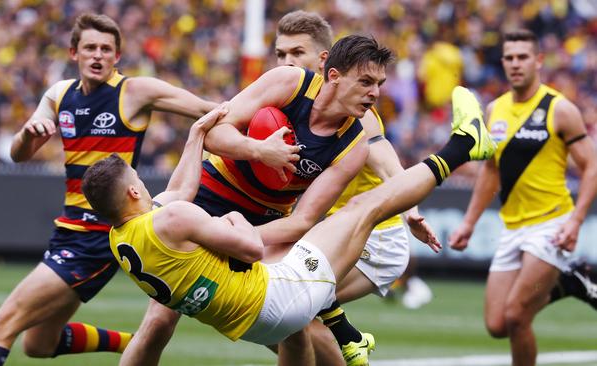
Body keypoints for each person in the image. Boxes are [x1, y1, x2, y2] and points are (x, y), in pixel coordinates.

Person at [82, 85, 495, 366]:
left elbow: (180, 189)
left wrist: (196, 136)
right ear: (135, 193)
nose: (144, 184)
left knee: (299, 337)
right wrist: (234, 218)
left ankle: (346, 332)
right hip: (278, 294)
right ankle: (462, 144)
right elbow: (251, 248)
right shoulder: (174, 217)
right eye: (138, 181)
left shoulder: (123, 237)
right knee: (364, 208)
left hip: (243, 323)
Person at [120, 34, 411, 366]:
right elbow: (216, 133)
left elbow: (302, 221)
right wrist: (260, 150)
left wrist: (232, 239)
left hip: (264, 222)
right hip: (208, 197)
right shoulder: (289, 82)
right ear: (333, 75)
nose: (375, 93)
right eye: (366, 82)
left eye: (379, 83)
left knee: (298, 325)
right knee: (159, 321)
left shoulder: (354, 145)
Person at [0, 13, 217, 366]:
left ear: (117, 57)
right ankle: (131, 344)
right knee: (38, 344)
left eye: (106, 49)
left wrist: (257, 142)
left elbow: (207, 110)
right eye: (90, 48)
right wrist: (28, 134)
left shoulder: (134, 92)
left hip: (97, 236)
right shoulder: (58, 94)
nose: (98, 55)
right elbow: (18, 155)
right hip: (68, 230)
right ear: (74, 53)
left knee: (1, 326)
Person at [273, 10, 440, 365]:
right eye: (280, 54)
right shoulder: (289, 100)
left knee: (296, 311)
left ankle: (350, 343)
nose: (285, 62)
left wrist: (411, 209)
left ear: (323, 62)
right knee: (285, 320)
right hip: (329, 232)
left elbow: (384, 159)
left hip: (373, 238)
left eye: (296, 54)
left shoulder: (356, 111)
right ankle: (349, 341)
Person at [449, 29, 597, 366]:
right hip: (511, 226)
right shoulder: (495, 110)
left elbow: (592, 167)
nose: (515, 64)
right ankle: (566, 285)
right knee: (497, 324)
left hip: (551, 223)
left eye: (523, 57)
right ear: (502, 62)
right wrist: (469, 223)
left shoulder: (560, 109)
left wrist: (575, 221)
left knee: (517, 316)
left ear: (538, 61)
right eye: (509, 58)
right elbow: (490, 171)